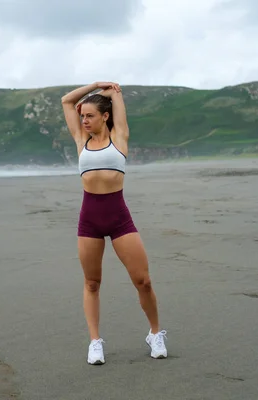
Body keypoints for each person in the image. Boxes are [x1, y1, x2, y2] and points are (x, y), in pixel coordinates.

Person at [61, 82, 168, 365]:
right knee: (92, 283)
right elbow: (66, 101)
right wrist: (95, 86)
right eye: (82, 116)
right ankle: (95, 342)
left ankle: (156, 333)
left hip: (119, 217)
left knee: (143, 281)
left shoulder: (120, 137)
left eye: (90, 116)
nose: (84, 120)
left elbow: (116, 95)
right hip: (90, 220)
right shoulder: (80, 140)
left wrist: (109, 92)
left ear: (105, 116)